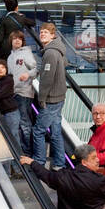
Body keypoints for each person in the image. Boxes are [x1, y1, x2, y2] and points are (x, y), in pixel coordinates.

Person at [33, 22, 68, 170]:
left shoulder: (50, 52)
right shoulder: (58, 50)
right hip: (59, 96)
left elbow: (47, 78)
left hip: (51, 99)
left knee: (38, 131)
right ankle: (59, 163)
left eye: (46, 32)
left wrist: (41, 98)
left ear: (53, 35)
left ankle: (39, 162)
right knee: (55, 132)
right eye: (41, 32)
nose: (42, 34)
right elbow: (65, 63)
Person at [6, 30, 37, 155]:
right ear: (11, 41)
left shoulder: (26, 54)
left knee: (24, 123)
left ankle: (28, 152)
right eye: (15, 38)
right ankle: (22, 151)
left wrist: (27, 74)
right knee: (18, 123)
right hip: (14, 93)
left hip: (24, 92)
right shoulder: (10, 57)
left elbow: (36, 69)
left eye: (19, 38)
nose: (17, 40)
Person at [0, 59, 20, 143]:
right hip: (3, 113)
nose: (0, 69)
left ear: (6, 69)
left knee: (12, 136)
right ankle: (18, 155)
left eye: (3, 67)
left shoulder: (9, 80)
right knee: (8, 137)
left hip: (12, 113)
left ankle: (18, 155)